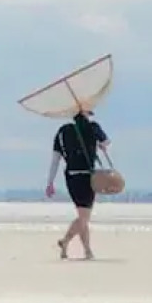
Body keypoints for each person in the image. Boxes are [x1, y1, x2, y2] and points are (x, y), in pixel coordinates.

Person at [45, 107, 110, 259]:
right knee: (84, 216)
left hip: (71, 177)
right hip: (87, 177)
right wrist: (100, 144)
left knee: (83, 216)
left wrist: (50, 182)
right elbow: (106, 142)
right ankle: (81, 248)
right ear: (85, 114)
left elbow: (55, 159)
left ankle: (70, 244)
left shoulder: (62, 132)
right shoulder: (93, 127)